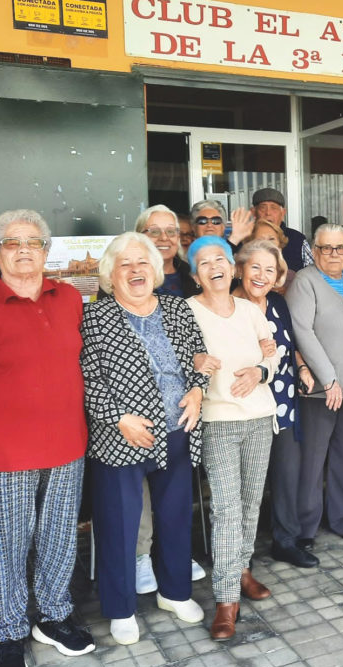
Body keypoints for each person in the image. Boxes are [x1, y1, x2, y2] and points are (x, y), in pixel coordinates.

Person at [0, 210, 95, 667]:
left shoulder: (70, 297)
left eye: (33, 241)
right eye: (12, 243)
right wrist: (6, 412)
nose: (24, 250)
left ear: (47, 250)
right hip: (5, 450)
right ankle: (8, 634)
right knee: (8, 545)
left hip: (67, 444)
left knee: (58, 540)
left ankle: (53, 618)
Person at [80, 233, 208, 645]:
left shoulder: (175, 308)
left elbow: (198, 356)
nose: (135, 271)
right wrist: (118, 418)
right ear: (110, 275)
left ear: (154, 270)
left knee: (173, 518)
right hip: (121, 439)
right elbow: (86, 380)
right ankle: (120, 609)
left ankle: (175, 593)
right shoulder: (94, 318)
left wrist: (198, 389)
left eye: (142, 263)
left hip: (176, 430)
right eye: (125, 265)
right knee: (119, 524)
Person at [185, 236, 281, 640]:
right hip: (218, 420)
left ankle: (242, 570)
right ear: (195, 274)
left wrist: (260, 370)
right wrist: (195, 360)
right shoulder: (185, 312)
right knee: (226, 510)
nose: (215, 266)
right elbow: (175, 360)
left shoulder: (250, 309)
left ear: (233, 266)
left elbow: (272, 354)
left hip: (260, 417)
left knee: (249, 503)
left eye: (221, 259)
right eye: (205, 262)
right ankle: (226, 600)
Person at [131, 205, 207, 595]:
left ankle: (175, 554)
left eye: (171, 232)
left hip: (185, 400)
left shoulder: (192, 280)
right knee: (142, 485)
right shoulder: (127, 277)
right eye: (153, 231)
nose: (164, 238)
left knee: (178, 484)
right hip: (137, 403)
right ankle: (141, 555)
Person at [232, 240, 319, 568]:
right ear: (240, 269)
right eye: (255, 267)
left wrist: (302, 366)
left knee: (286, 474)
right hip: (244, 403)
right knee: (244, 482)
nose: (261, 275)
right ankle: (240, 552)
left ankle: (286, 540)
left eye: (269, 270)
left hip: (282, 400)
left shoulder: (277, 304)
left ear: (278, 276)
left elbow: (291, 344)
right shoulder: (228, 305)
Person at [287, 224, 343, 548]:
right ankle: (306, 526)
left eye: (339, 248)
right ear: (315, 250)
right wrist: (328, 378)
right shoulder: (305, 281)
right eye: (325, 248)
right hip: (320, 391)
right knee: (312, 458)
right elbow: (302, 332)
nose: (333, 254)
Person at [136, 205, 198, 297]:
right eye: (155, 231)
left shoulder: (193, 274)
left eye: (170, 231)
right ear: (140, 237)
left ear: (178, 237)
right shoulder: (130, 275)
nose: (164, 238)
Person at [251, 187, 314, 273]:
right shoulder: (244, 238)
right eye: (263, 207)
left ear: (283, 213)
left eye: (274, 208)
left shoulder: (297, 239)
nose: (268, 213)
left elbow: (311, 274)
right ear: (254, 212)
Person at [249, 218, 297, 292]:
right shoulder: (244, 273)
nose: (267, 243)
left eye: (271, 239)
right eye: (260, 240)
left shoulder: (292, 277)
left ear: (280, 243)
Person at [190, 199, 255, 250]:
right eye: (203, 221)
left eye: (216, 221)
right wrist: (234, 239)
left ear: (223, 226)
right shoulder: (186, 253)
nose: (209, 225)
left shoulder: (239, 252)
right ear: (193, 227)